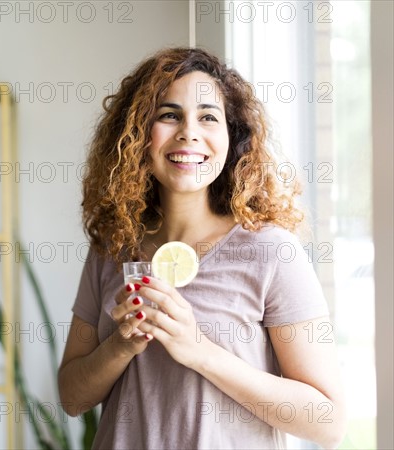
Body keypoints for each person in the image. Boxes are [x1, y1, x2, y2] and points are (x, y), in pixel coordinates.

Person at [58, 48, 346, 449]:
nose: (188, 132)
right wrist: (121, 345)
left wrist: (199, 351)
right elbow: (72, 397)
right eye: (169, 114)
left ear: (232, 136)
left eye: (208, 116)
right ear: (139, 133)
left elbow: (327, 421)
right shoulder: (113, 246)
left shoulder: (272, 252)